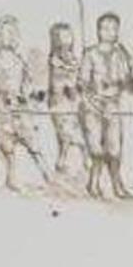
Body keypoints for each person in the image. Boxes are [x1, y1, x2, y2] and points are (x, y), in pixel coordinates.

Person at [0, 16, 53, 191]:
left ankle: (47, 175)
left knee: (32, 143)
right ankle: (12, 179)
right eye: (4, 33)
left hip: (21, 108)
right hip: (3, 109)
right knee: (8, 148)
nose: (8, 37)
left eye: (11, 33)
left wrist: (34, 96)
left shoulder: (19, 60)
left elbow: (27, 84)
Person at [79, 11, 133, 198]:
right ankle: (93, 184)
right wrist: (92, 101)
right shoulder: (90, 54)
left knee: (115, 149)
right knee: (96, 149)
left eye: (114, 29)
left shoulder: (120, 55)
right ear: (99, 31)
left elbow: (126, 80)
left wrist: (127, 66)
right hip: (92, 107)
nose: (110, 32)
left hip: (112, 106)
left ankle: (117, 186)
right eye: (106, 28)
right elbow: (83, 83)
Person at [46, 22, 86, 187]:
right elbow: (60, 80)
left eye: (69, 35)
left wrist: (79, 81)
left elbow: (77, 78)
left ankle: (64, 161)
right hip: (59, 102)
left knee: (75, 132)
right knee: (66, 134)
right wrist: (71, 78)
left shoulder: (73, 58)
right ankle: (70, 160)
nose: (67, 39)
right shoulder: (55, 59)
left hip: (73, 102)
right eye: (63, 36)